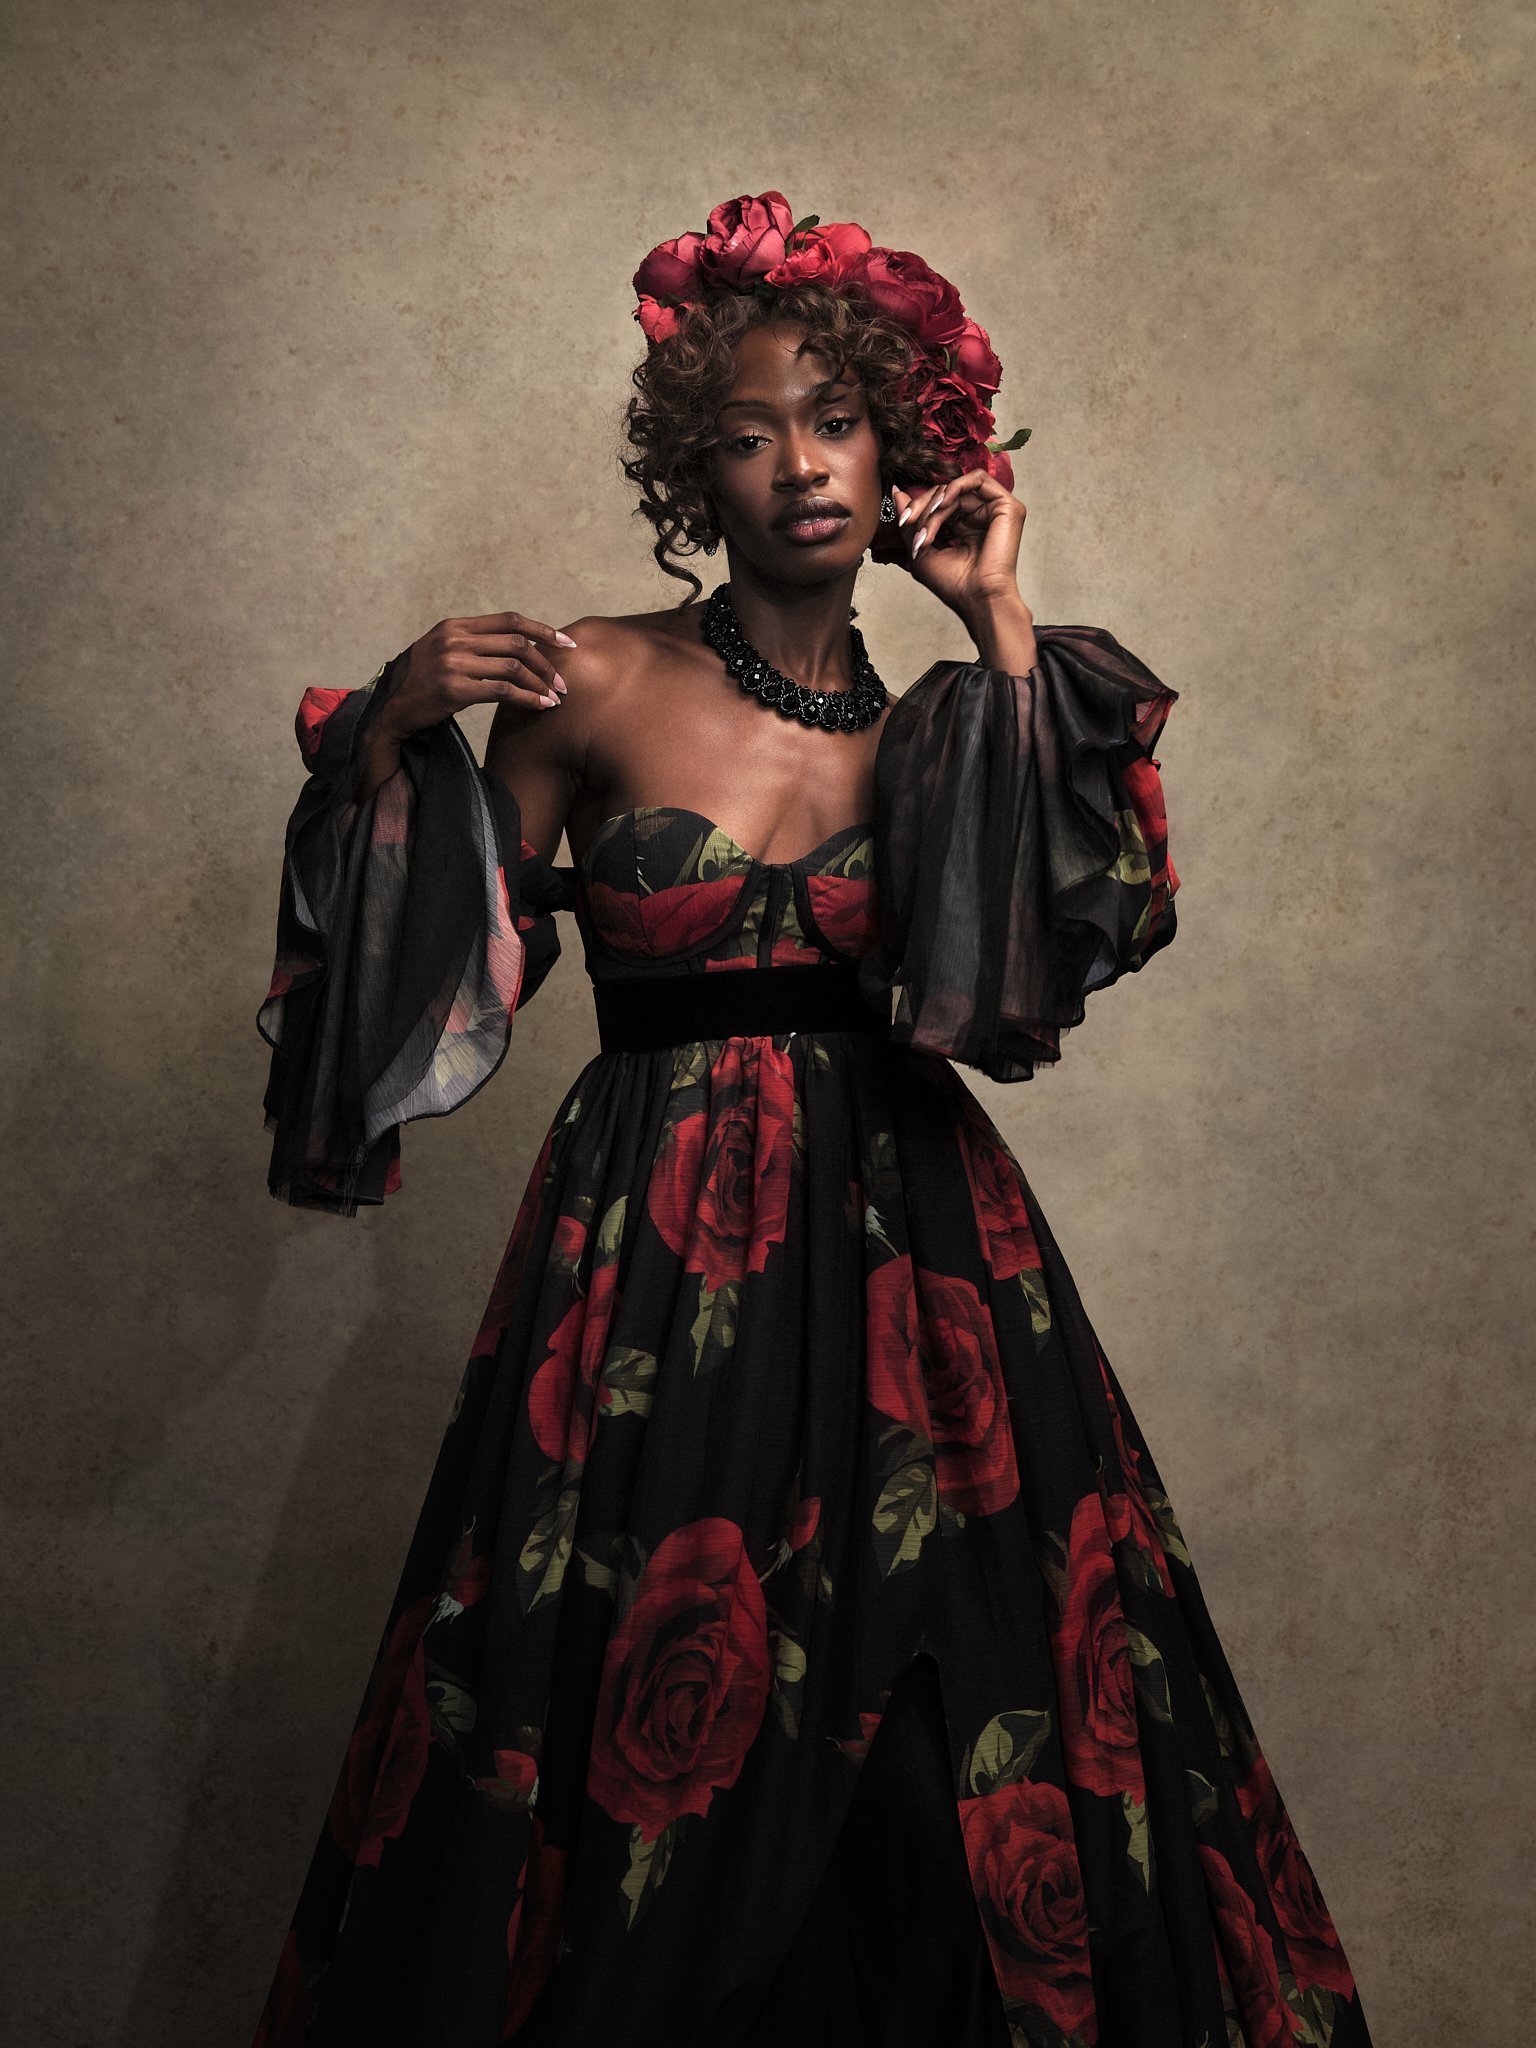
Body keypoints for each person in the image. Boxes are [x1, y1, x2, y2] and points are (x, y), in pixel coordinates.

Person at [250, 193, 1375, 2048]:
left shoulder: (950, 725)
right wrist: (384, 730)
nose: (802, 464)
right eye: (756, 425)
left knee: (961, 1706)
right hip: (645, 1267)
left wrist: (1001, 617)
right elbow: (424, 1012)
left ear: (903, 449)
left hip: (920, 1261)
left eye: (839, 422)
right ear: (697, 458)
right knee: (621, 1686)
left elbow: (1032, 978)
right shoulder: (587, 678)